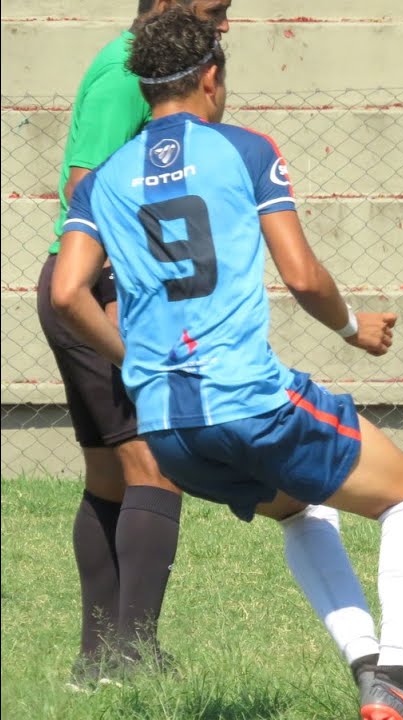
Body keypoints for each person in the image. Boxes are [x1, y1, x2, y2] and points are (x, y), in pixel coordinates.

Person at [49, 9, 403, 719]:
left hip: (171, 431)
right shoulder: (245, 149)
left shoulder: (102, 181)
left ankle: (366, 671)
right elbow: (301, 275)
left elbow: (65, 291)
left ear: (143, 88)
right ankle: (402, 678)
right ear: (211, 76)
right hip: (250, 400)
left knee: (300, 511)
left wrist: (138, 361)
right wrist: (355, 328)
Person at [34, 0, 231, 689]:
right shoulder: (127, 71)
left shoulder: (138, 63)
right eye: (216, 9)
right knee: (156, 469)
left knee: (111, 477)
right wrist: (125, 286)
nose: (225, 23)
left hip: (87, 288)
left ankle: (97, 661)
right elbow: (82, 185)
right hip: (97, 294)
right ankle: (131, 656)